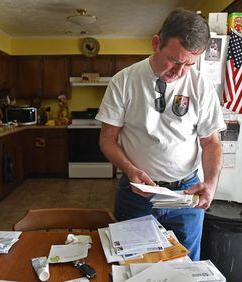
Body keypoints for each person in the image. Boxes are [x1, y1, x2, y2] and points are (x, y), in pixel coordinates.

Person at [95, 8, 226, 261]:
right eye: (175, 61)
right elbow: (107, 140)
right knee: (133, 265)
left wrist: (210, 184)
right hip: (136, 193)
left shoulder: (201, 86)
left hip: (186, 195)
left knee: (185, 267)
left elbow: (211, 143)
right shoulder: (124, 81)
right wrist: (131, 170)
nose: (180, 72)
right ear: (156, 43)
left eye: (189, 63)